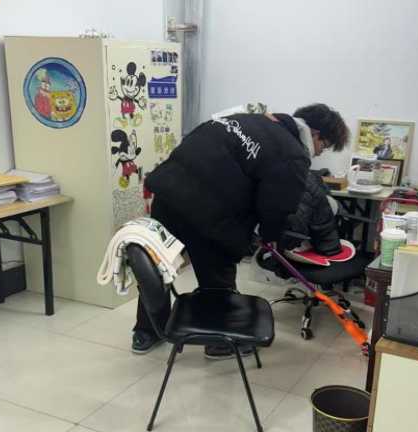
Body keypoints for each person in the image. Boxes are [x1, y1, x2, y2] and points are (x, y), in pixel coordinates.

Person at [132, 103, 350, 358]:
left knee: (156, 267)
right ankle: (219, 343)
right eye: (324, 146)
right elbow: (278, 206)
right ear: (315, 134)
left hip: (167, 196)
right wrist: (269, 236)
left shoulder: (239, 119)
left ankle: (147, 332)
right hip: (208, 214)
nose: (319, 154)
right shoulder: (292, 153)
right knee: (217, 279)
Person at [281, 171, 342, 255]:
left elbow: (296, 231)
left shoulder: (299, 188)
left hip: (313, 246)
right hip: (329, 240)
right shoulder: (312, 177)